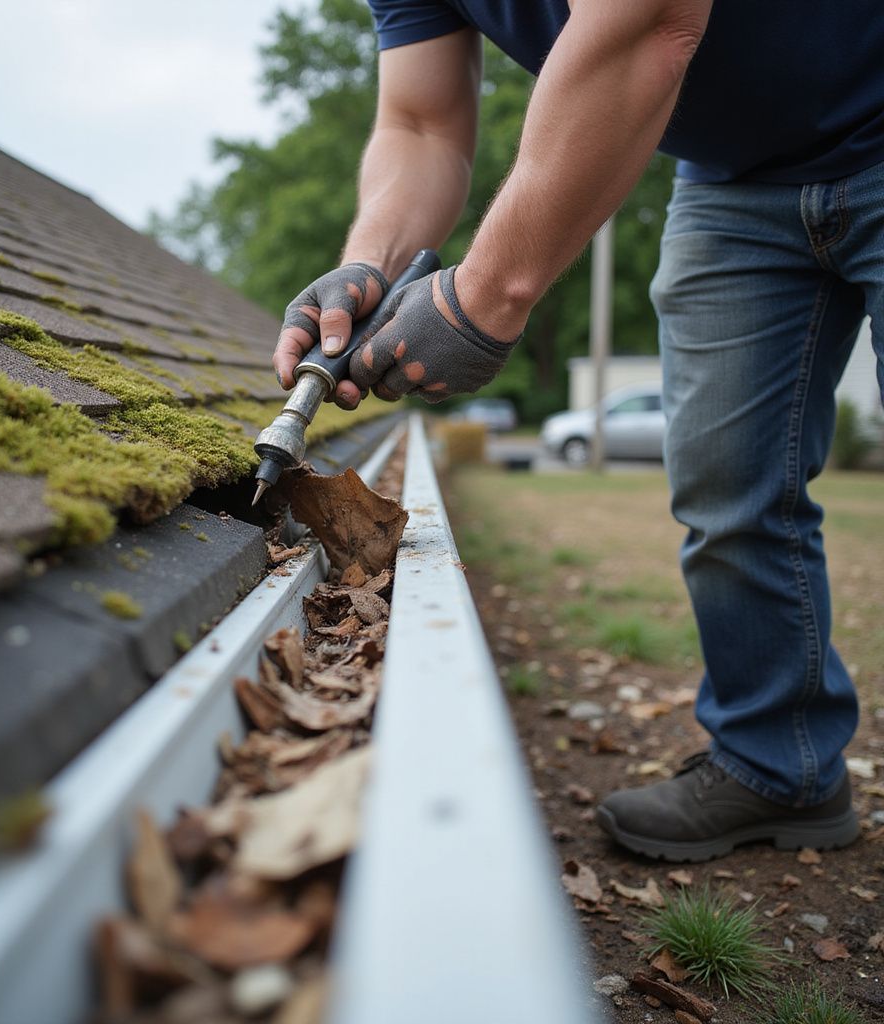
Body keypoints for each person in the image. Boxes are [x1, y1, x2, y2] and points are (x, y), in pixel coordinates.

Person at [272, 0, 884, 862]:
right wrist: (369, 264)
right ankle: (781, 768)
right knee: (728, 488)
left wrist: (481, 296)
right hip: (734, 181)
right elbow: (418, 125)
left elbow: (653, 21)